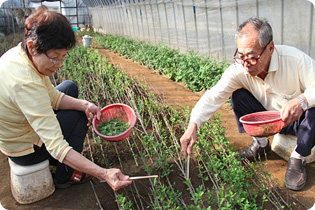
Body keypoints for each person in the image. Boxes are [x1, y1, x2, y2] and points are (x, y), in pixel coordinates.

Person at [0, 6, 132, 191]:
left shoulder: (23, 55)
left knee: (70, 87)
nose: (59, 65)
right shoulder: (25, 83)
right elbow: (56, 145)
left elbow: (52, 96)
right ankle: (66, 174)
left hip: (20, 130)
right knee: (77, 117)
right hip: (25, 149)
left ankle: (64, 160)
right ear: (32, 46)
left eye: (63, 57)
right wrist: (103, 173)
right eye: (55, 58)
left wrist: (85, 104)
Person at [180, 17, 315, 191]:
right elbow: (213, 96)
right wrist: (193, 125)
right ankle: (261, 145)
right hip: (269, 120)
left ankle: (299, 157)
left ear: (270, 48)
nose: (245, 64)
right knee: (238, 96)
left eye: (252, 57)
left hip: (299, 122)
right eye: (240, 56)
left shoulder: (294, 60)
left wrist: (301, 101)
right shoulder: (239, 69)